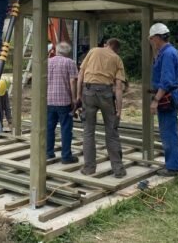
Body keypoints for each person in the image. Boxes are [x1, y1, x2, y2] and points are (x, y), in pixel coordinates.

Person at [77, 38, 127, 178]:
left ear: (107, 45)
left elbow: (80, 75)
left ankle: (89, 168)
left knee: (88, 132)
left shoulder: (93, 51)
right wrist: (119, 110)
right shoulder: (117, 59)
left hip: (88, 92)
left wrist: (78, 96)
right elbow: (118, 87)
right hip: (106, 93)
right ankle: (118, 169)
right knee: (111, 133)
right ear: (116, 48)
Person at [149, 23, 178, 176]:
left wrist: (155, 100)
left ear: (158, 38)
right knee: (172, 132)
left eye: (152, 39)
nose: (152, 42)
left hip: (167, 97)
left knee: (168, 134)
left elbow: (166, 81)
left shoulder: (166, 54)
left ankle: (173, 168)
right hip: (172, 95)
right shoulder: (169, 52)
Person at [47, 42, 79, 164]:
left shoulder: (48, 62)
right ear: (68, 52)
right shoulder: (70, 63)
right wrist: (74, 99)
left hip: (49, 100)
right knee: (66, 129)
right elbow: (72, 82)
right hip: (64, 101)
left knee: (49, 128)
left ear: (57, 50)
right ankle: (66, 156)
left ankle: (48, 153)